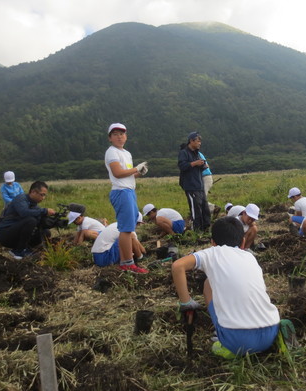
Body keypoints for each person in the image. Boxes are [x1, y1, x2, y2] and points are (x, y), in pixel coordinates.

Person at [172, 216, 280, 358]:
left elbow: (177, 266)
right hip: (271, 332)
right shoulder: (250, 257)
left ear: (212, 243)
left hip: (238, 341)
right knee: (210, 283)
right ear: (242, 242)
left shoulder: (212, 253)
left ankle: (222, 338)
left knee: (207, 284)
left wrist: (186, 302)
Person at [104, 122, 149, 274]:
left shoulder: (126, 153)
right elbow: (117, 173)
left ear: (126, 136)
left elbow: (127, 173)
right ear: (110, 138)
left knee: (128, 229)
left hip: (129, 191)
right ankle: (128, 263)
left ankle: (125, 262)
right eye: (115, 134)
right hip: (121, 191)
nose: (119, 137)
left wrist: (139, 172)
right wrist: (136, 168)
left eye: (121, 134)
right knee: (126, 229)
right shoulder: (112, 152)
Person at [0, 180, 56, 259]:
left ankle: (24, 248)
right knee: (31, 220)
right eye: (42, 195)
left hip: (16, 235)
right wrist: (44, 211)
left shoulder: (34, 206)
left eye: (45, 195)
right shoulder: (21, 199)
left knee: (46, 232)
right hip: (5, 234)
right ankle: (19, 251)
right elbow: (24, 213)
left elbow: (39, 221)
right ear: (33, 192)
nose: (43, 198)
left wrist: (54, 221)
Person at [178, 131, 211, 231]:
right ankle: (197, 232)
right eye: (198, 141)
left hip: (200, 185)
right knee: (196, 211)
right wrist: (194, 163)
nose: (199, 143)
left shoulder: (197, 154)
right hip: (191, 186)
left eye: (200, 141)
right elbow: (182, 166)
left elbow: (198, 167)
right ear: (191, 141)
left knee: (205, 210)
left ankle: (206, 229)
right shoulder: (184, 153)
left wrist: (202, 166)